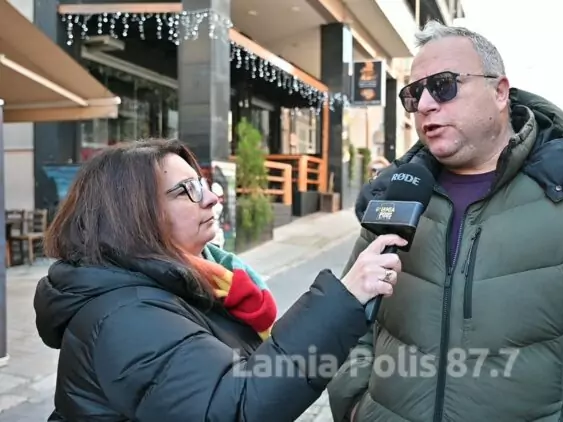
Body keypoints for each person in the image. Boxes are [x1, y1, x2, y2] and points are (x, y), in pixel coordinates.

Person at [328, 21, 563, 422]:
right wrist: (356, 405)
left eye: (443, 85)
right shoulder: (397, 192)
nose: (426, 104)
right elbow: (349, 313)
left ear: (500, 91)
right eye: (414, 94)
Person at [33, 139, 407, 421]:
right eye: (187, 190)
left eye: (203, 184)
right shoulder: (126, 314)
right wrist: (342, 300)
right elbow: (233, 406)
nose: (212, 199)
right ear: (132, 216)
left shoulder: (191, 279)